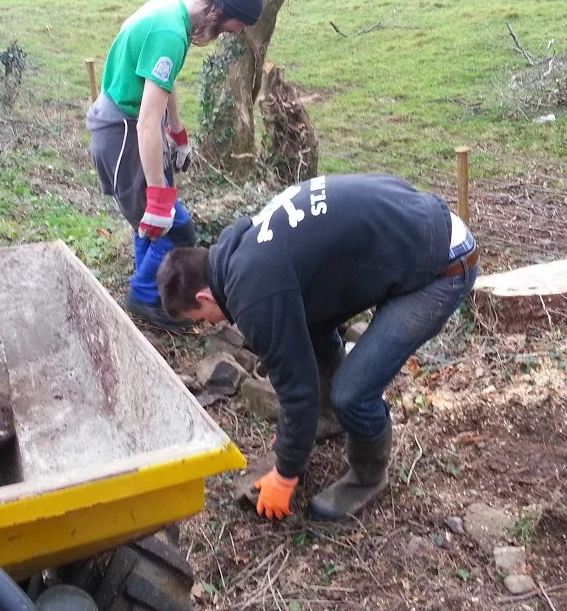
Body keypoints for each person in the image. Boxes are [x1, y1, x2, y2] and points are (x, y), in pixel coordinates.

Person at [157, 173, 479, 520]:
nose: (211, 324)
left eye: (202, 317)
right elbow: (301, 340)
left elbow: (297, 390)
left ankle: (368, 475)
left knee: (353, 394)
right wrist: (294, 440)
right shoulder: (241, 248)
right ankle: (330, 418)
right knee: (309, 332)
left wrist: (285, 474)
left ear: (204, 296)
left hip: (442, 265)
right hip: (413, 227)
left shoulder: (254, 294)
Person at [87, 0, 266, 330]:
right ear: (222, 11)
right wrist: (158, 194)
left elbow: (160, 84)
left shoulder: (174, 9)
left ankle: (148, 284)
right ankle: (144, 296)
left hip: (126, 123)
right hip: (125, 131)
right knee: (176, 228)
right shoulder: (170, 33)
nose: (237, 32)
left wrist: (179, 132)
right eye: (239, 24)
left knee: (151, 226)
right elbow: (148, 120)